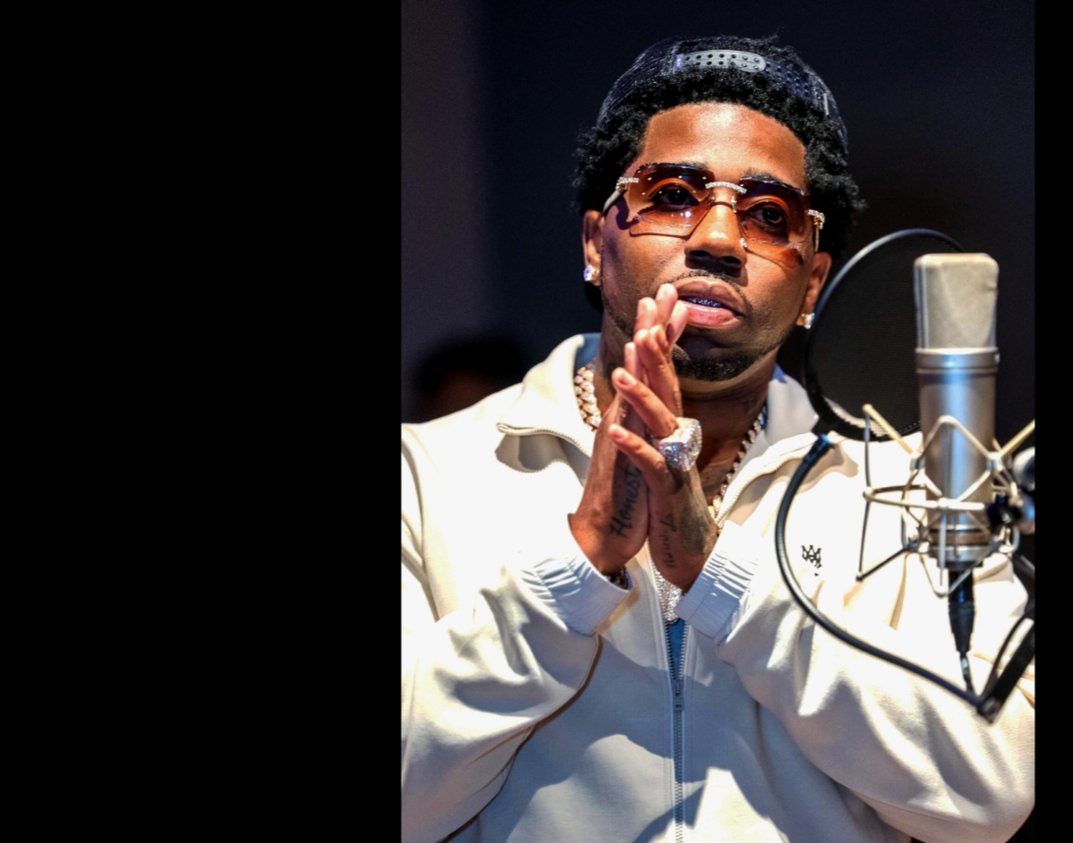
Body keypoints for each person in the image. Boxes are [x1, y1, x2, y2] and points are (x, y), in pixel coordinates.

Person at [401, 34, 1034, 842]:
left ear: (812, 283)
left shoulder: (912, 489)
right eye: (671, 195)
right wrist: (578, 563)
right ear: (596, 242)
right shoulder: (427, 474)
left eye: (770, 215)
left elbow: (992, 796)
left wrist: (723, 580)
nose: (719, 240)